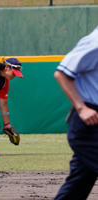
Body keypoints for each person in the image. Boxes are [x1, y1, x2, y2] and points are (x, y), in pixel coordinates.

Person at [54, 25, 98, 199]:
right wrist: (81, 107)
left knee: (77, 185)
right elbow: (62, 74)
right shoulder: (95, 42)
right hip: (89, 124)